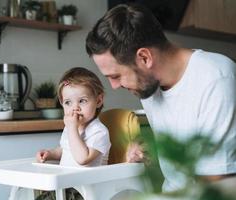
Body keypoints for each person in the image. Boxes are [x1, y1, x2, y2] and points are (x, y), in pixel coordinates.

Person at [85, 3, 236, 192]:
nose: (114, 87)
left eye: (116, 76)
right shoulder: (149, 87)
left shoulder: (216, 79)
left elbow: (218, 187)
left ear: (145, 58)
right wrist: (149, 149)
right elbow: (183, 143)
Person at [35, 67, 111, 199]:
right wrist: (51, 154)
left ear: (98, 101)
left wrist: (72, 128)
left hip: (86, 190)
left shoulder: (99, 132)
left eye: (82, 101)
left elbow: (82, 158)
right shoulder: (71, 128)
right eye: (68, 102)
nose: (75, 108)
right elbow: (65, 150)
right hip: (66, 185)